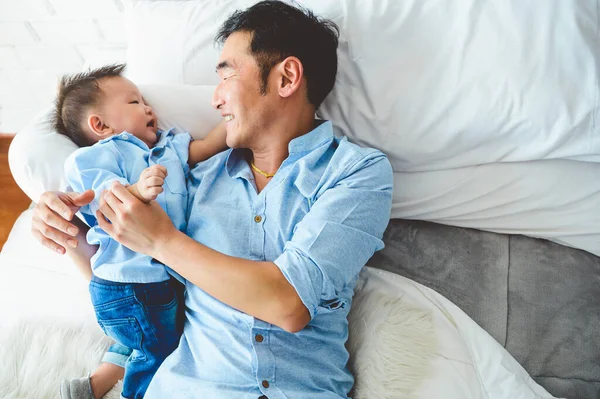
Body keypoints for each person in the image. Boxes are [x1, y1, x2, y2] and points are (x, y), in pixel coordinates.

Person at [31, 1, 393, 398]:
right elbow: (127, 272)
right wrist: (63, 228)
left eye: (226, 76)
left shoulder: (357, 172)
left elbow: (288, 303)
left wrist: (162, 240)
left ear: (286, 77)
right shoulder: (189, 181)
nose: (215, 99)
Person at [51, 64, 227, 399]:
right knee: (158, 351)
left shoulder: (169, 147)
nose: (149, 108)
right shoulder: (94, 157)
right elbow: (104, 201)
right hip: (129, 284)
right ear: (100, 125)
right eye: (134, 102)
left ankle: (87, 389)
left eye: (145, 100)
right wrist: (136, 191)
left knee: (147, 338)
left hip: (162, 280)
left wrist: (234, 120)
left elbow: (206, 148)